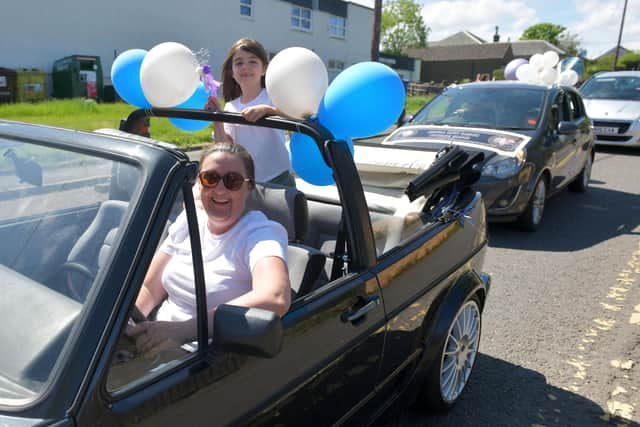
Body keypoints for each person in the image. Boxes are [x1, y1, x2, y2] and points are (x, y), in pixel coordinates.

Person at [129, 142, 291, 354]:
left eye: (233, 181)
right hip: (151, 341)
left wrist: (184, 330)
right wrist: (130, 327)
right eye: (210, 178)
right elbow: (149, 289)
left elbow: (275, 297)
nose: (220, 189)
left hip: (198, 355)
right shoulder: (188, 221)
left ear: (248, 187)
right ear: (199, 182)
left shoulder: (261, 234)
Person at [205, 38, 295, 187]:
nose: (245, 67)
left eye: (252, 61)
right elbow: (225, 146)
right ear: (232, 72)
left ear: (264, 69)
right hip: (245, 183)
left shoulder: (273, 97)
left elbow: (296, 116)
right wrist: (217, 118)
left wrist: (268, 110)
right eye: (239, 63)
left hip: (279, 179)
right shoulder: (230, 106)